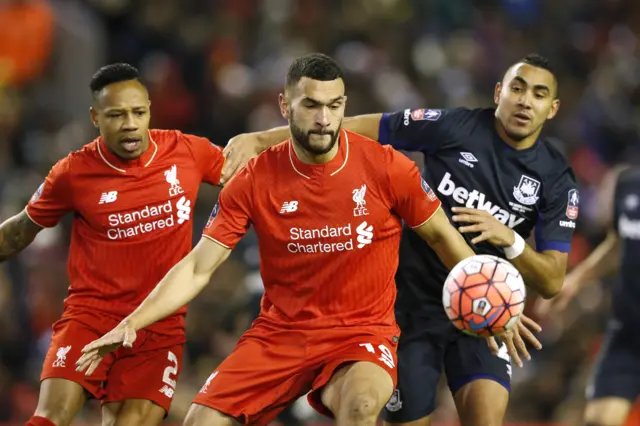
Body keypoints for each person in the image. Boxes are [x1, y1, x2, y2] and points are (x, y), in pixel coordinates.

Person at [75, 53, 479, 426]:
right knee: (200, 421)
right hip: (280, 335)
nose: (324, 118)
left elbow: (442, 237)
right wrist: (131, 322)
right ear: (286, 107)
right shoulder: (254, 179)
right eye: (311, 105)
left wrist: (487, 300)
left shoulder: (387, 167)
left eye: (334, 106)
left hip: (361, 333)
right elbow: (199, 266)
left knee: (361, 407)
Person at [221, 53, 577, 426]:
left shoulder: (555, 178)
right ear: (499, 91)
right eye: (517, 88)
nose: (524, 100)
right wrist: (261, 140)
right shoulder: (454, 127)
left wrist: (510, 239)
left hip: (482, 309)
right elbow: (356, 128)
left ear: (551, 109)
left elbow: (552, 280)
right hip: (408, 308)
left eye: (538, 94)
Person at [0, 63, 225, 426]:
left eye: (138, 112)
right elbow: (18, 233)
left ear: (150, 109)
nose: (131, 123)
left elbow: (255, 172)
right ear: (95, 117)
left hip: (158, 327)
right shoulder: (73, 173)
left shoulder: (188, 152)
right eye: (117, 115)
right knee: (50, 417)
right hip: (91, 318)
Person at [537, 165, 638, 426]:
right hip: (628, 332)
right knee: (599, 420)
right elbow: (617, 244)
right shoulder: (629, 183)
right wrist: (574, 281)